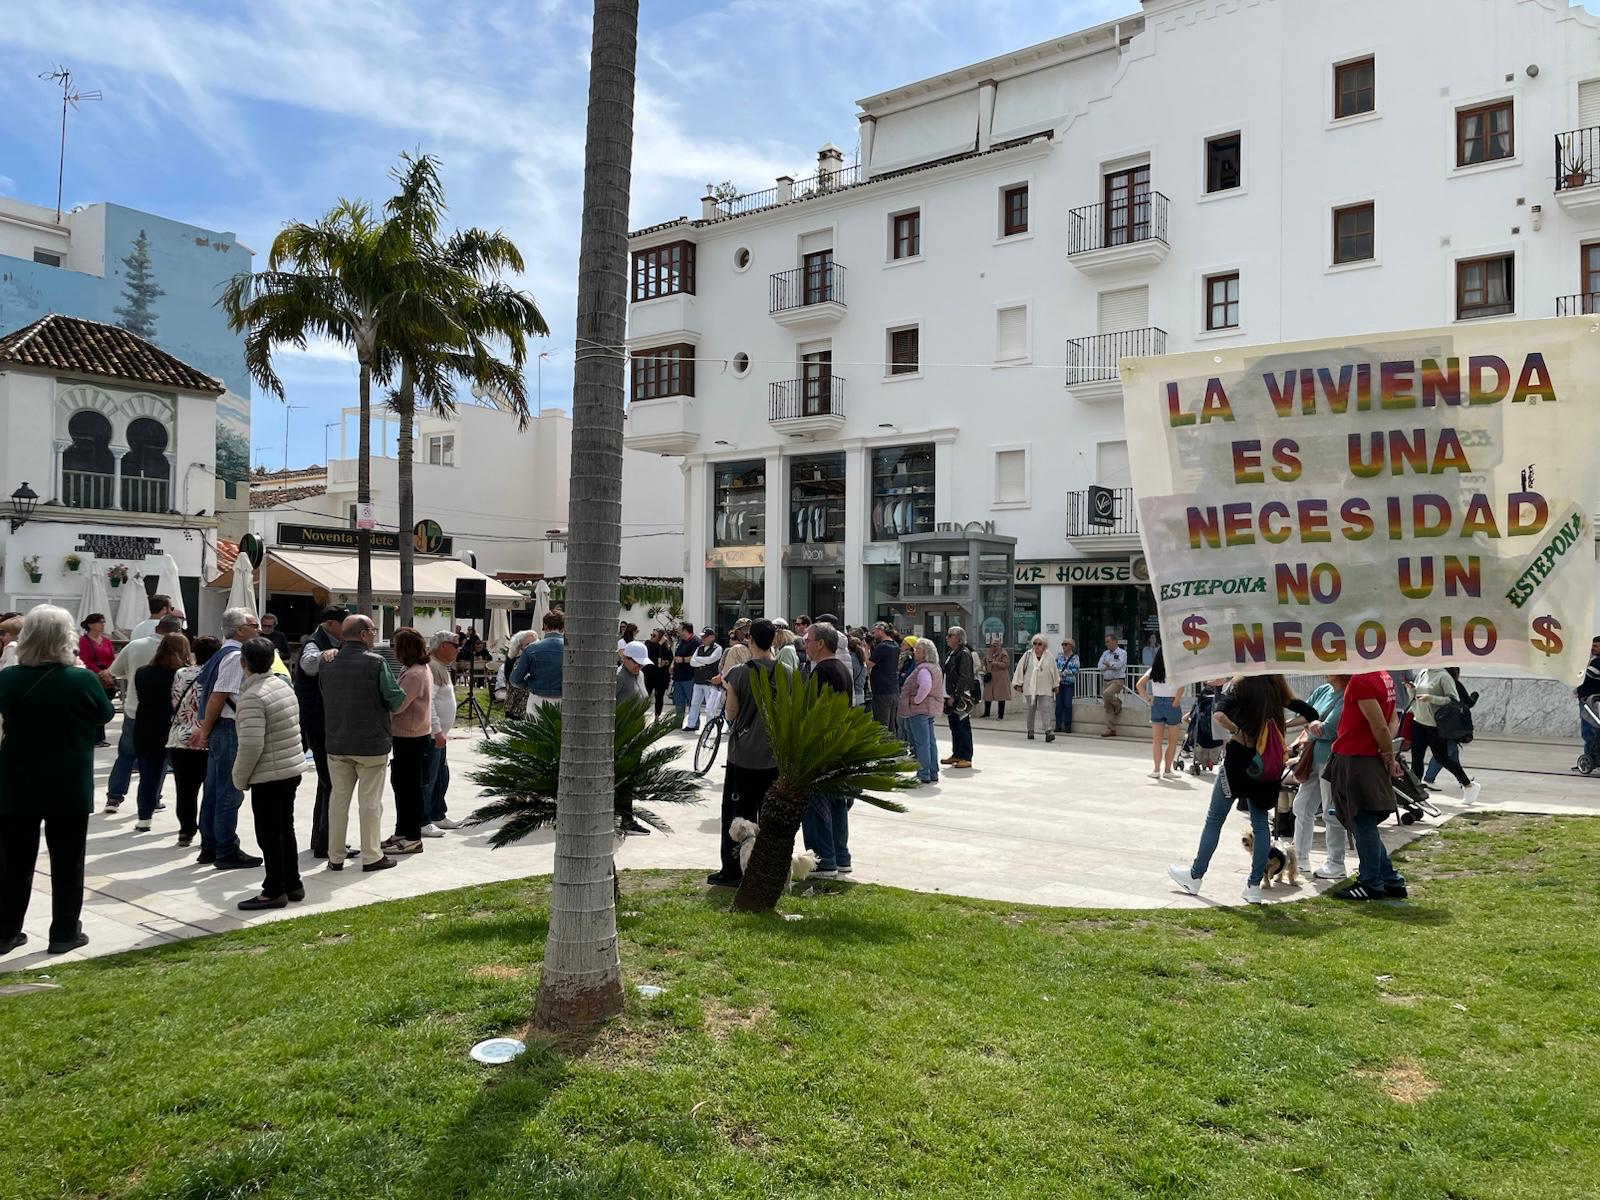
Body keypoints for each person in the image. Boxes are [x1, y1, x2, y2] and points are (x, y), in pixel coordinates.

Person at [0, 606, 115, 955]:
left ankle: (6, 931)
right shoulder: (80, 678)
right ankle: (64, 931)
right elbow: (104, 713)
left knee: (13, 862)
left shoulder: (7, 677)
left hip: (17, 778)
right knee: (68, 861)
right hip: (67, 779)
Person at [1167, 675, 1320, 904]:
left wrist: (1236, 730)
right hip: (1268, 764)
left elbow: (1218, 714)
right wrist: (1287, 726)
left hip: (1238, 761)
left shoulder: (1240, 685)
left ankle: (1195, 875)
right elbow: (1310, 713)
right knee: (1260, 823)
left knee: (1215, 819)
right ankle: (1254, 885)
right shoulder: (1274, 686)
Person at [320, 615, 407, 873]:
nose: (374, 636)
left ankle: (335, 856)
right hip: (371, 743)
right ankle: (371, 856)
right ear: (363, 634)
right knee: (370, 802)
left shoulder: (327, 662)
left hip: (336, 742)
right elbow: (397, 700)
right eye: (373, 632)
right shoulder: (376, 662)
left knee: (338, 800)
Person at [707, 618, 786, 887]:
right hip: (773, 755)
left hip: (743, 756)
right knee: (769, 816)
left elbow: (731, 713)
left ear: (749, 640)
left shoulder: (739, 673)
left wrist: (730, 690)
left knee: (737, 815)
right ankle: (767, 869)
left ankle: (732, 871)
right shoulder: (786, 672)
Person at [230, 636, 306, 911]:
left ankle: (274, 889)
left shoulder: (253, 696)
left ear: (243, 663)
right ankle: (292, 882)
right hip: (289, 768)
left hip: (269, 774)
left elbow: (251, 744)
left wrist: (239, 778)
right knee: (285, 827)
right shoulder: (282, 685)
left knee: (269, 833)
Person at [189, 607, 263, 870]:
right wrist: (206, 730)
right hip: (228, 728)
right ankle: (226, 849)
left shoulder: (222, 653)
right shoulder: (235, 656)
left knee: (213, 790)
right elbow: (219, 695)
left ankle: (210, 846)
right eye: (254, 625)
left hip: (221, 728)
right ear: (240, 630)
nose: (259, 629)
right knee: (229, 793)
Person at [1324, 670, 1408, 901]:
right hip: (1365, 757)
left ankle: (1371, 882)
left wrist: (1389, 756)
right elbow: (1392, 721)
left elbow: (1379, 725)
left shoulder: (1361, 680)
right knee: (1365, 823)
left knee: (1362, 822)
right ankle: (1390, 879)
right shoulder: (1384, 676)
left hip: (1356, 759)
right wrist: (1385, 751)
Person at [104, 614, 184, 813]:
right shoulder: (179, 649)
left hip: (134, 708)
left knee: (125, 756)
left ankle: (114, 797)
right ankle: (153, 799)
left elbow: (115, 670)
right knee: (160, 760)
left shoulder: (134, 645)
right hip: (165, 714)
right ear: (176, 630)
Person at [799, 622, 854, 879]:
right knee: (837, 804)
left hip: (822, 749)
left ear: (820, 643)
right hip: (837, 747)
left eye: (807, 639)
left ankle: (824, 860)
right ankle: (841, 857)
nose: (804, 644)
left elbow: (815, 712)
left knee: (818, 805)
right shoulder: (841, 668)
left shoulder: (822, 671)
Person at [294, 605, 348, 859]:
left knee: (328, 783)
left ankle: (324, 839)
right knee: (331, 782)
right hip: (318, 721)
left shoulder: (333, 640)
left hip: (324, 720)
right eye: (343, 623)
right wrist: (327, 654)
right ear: (330, 624)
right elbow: (308, 665)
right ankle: (326, 842)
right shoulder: (315, 643)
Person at [1293, 674, 1350, 881]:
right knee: (1302, 806)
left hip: (1331, 760)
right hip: (1313, 759)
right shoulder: (1323, 690)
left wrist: (1310, 728)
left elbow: (1328, 730)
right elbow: (1306, 716)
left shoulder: (1346, 695)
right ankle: (1300, 857)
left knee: (1330, 811)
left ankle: (1336, 862)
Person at [130, 631, 189, 832]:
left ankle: (144, 818)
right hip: (175, 728)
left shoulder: (142, 672)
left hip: (146, 727)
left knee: (148, 776)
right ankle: (186, 826)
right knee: (185, 782)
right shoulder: (184, 674)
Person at [383, 628, 434, 857]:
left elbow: (398, 705)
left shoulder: (415, 674)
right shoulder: (414, 669)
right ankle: (402, 831)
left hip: (411, 736)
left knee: (409, 789)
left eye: (395, 646)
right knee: (402, 786)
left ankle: (412, 836)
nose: (393, 650)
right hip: (410, 735)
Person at [167, 635, 218, 848]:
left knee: (185, 790)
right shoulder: (216, 676)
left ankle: (186, 831)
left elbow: (173, 700)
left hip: (179, 738)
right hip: (206, 738)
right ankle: (208, 832)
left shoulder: (181, 673)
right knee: (211, 789)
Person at [1411, 666, 1480, 803]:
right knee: (1416, 758)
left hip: (1435, 725)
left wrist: (1431, 698)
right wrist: (1410, 689)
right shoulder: (1423, 672)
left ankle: (1468, 785)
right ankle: (1416, 792)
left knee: (1442, 758)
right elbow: (1414, 696)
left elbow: (1453, 700)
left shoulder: (1444, 676)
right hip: (1418, 721)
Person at [422, 631, 462, 837]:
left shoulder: (441, 667)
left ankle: (438, 814)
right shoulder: (432, 666)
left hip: (439, 735)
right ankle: (424, 818)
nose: (458, 650)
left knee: (441, 776)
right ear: (443, 646)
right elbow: (429, 704)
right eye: (455, 646)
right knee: (429, 778)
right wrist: (437, 730)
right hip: (431, 736)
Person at [900, 639, 945, 785]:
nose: (915, 652)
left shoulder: (923, 669)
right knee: (930, 741)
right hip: (929, 709)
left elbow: (925, 686)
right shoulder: (934, 667)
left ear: (925, 653)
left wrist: (917, 700)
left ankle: (923, 772)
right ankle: (933, 771)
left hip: (920, 709)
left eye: (918, 650)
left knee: (922, 743)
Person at [1135, 646, 1183, 777]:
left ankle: (1156, 770)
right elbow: (1181, 687)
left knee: (1157, 741)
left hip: (1157, 703)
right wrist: (1176, 700)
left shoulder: (1153, 670)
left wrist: (1149, 700)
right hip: (1172, 702)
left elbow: (1139, 685)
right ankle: (1167, 770)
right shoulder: (1175, 670)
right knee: (1172, 740)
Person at [509, 611, 565, 710]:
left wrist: (528, 682)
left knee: (535, 725)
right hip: (564, 700)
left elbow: (515, 680)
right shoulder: (572, 648)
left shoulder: (531, 648)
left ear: (545, 626)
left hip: (537, 700)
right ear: (563, 627)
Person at [1012, 634, 1062, 742]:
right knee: (1031, 710)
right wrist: (1018, 684)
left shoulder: (1049, 656)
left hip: (1045, 687)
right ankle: (1030, 730)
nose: (1037, 646)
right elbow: (1020, 669)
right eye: (1035, 643)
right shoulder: (1027, 655)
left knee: (1046, 709)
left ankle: (1048, 731)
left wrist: (1056, 684)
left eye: (1040, 644)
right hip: (1030, 687)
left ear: (1044, 646)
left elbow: (1054, 671)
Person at [78, 613, 116, 748]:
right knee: (94, 707)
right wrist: (99, 672)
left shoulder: (106, 641)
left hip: (107, 675)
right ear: (90, 625)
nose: (102, 625)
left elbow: (112, 658)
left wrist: (109, 672)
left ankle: (100, 737)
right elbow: (85, 659)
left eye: (103, 622)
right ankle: (94, 736)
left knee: (103, 706)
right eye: (100, 622)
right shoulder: (84, 641)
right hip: (93, 675)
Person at [940, 626, 975, 769]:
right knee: (954, 726)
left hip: (960, 696)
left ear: (958, 639)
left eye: (950, 635)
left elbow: (964, 677)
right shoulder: (952, 653)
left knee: (962, 726)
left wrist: (955, 695)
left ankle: (966, 756)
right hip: (949, 694)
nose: (947, 638)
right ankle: (957, 753)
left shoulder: (964, 654)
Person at [684, 627, 724, 732]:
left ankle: (709, 726)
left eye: (705, 637)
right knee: (694, 703)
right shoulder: (700, 648)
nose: (703, 639)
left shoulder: (718, 648)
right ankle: (691, 724)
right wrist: (702, 661)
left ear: (712, 637)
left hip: (710, 682)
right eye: (702, 637)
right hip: (698, 680)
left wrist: (698, 660)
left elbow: (711, 660)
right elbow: (692, 662)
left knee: (710, 707)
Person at [868, 623, 901, 734]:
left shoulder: (882, 646)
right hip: (893, 689)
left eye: (874, 632)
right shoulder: (896, 646)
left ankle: (884, 749)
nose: (872, 635)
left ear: (881, 630)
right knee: (892, 724)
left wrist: (864, 649)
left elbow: (868, 664)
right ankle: (892, 748)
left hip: (881, 690)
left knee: (881, 724)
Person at [501, 628, 538, 718]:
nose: (532, 646)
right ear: (518, 647)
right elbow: (511, 679)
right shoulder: (513, 659)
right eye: (528, 644)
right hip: (515, 699)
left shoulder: (537, 658)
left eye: (535, 643)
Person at [1576, 635, 1600, 771]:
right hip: (1591, 699)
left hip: (1590, 702)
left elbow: (1583, 675)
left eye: (1596, 646)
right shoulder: (1595, 661)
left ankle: (1590, 758)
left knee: (1589, 730)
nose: (1592, 648)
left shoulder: (1597, 663)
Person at [1097, 633, 1128, 737]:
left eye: (1108, 642)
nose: (1107, 644)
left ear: (1114, 641)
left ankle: (1117, 703)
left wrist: (1109, 664)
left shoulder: (1122, 652)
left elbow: (1119, 665)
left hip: (1117, 680)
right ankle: (1111, 729)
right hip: (1106, 680)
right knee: (1107, 705)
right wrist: (1107, 666)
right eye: (1106, 642)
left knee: (1107, 694)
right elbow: (1100, 665)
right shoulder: (1105, 653)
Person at [670, 620, 698, 720]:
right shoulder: (680, 641)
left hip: (689, 677)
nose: (678, 632)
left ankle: (694, 723)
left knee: (692, 702)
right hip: (678, 677)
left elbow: (695, 658)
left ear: (685, 630)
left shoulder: (695, 641)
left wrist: (682, 660)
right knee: (678, 702)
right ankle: (678, 723)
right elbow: (676, 655)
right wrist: (672, 664)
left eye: (679, 630)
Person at [643, 629, 672, 718]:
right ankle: (640, 714)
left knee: (659, 697)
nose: (651, 637)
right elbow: (650, 653)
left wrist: (666, 662)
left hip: (661, 676)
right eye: (651, 634)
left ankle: (657, 717)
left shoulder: (665, 647)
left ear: (660, 637)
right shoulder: (648, 644)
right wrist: (659, 644)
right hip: (649, 675)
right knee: (645, 696)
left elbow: (670, 658)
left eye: (654, 636)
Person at [981, 640, 1011, 719]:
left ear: (999, 646)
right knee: (987, 696)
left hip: (1000, 678)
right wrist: (984, 666)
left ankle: (1000, 715)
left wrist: (995, 663)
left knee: (1001, 696)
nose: (993, 647)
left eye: (995, 646)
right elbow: (984, 660)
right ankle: (986, 713)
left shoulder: (1003, 653)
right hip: (990, 676)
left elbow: (1006, 664)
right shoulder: (989, 652)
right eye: (992, 645)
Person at [1055, 639, 1079, 734]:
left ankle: (1067, 726)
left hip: (1069, 684)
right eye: (1063, 644)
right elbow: (1054, 666)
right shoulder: (1059, 656)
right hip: (1059, 684)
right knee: (1058, 705)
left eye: (1065, 644)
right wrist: (1057, 673)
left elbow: (1075, 670)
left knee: (1068, 705)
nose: (1063, 646)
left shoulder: (1075, 658)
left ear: (1071, 646)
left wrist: (1063, 672)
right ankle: (1058, 726)